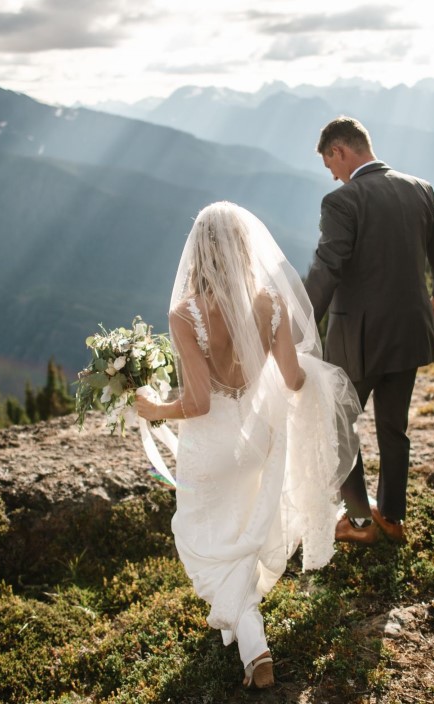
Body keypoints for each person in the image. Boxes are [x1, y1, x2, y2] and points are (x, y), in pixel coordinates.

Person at [134, 201, 361, 690]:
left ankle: (254, 645)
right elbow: (293, 379)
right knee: (242, 533)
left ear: (199, 251)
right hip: (256, 440)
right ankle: (251, 642)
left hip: (210, 448)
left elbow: (196, 403)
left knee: (205, 539)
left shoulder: (185, 314)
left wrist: (154, 409)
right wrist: (315, 384)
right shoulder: (271, 304)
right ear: (243, 247)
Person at [304, 116, 434, 546]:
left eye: (330, 165)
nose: (333, 175)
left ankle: (359, 523)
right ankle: (392, 518)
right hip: (409, 331)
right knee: (394, 428)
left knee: (338, 424)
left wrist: (302, 322)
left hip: (359, 340)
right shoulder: (419, 188)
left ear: (338, 150)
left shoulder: (342, 201)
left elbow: (327, 268)